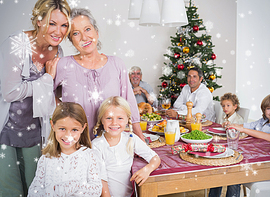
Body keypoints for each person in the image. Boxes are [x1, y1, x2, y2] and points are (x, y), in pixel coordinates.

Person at [0, 0, 71, 196]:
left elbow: (55, 94)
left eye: (64, 25)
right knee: (10, 190)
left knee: (37, 188)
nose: (59, 31)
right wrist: (46, 79)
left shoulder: (58, 51)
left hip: (36, 132)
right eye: (52, 23)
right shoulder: (15, 44)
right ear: (39, 21)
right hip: (6, 130)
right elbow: (10, 93)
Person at [53, 8, 145, 141]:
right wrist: (64, 110)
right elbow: (46, 95)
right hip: (76, 144)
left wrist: (140, 139)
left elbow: (129, 104)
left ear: (96, 32)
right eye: (76, 33)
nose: (84, 37)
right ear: (71, 40)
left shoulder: (117, 64)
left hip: (111, 145)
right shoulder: (64, 65)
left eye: (87, 29)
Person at [28, 102, 110, 196]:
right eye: (62, 129)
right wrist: (53, 191)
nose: (68, 136)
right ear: (53, 125)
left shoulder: (91, 156)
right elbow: (33, 192)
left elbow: (96, 190)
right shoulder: (45, 159)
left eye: (74, 130)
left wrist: (71, 186)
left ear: (83, 128)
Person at [92, 96, 161, 197]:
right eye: (109, 118)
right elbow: (101, 180)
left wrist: (147, 170)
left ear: (127, 120)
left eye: (120, 118)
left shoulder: (131, 138)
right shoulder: (97, 145)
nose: (114, 123)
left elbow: (155, 158)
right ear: (102, 120)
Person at [209, 93, 244, 197]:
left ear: (235, 106)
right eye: (223, 106)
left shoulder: (238, 119)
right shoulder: (224, 117)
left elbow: (237, 134)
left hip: (235, 146)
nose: (225, 108)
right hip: (225, 144)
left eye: (228, 105)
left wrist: (228, 127)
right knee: (216, 166)